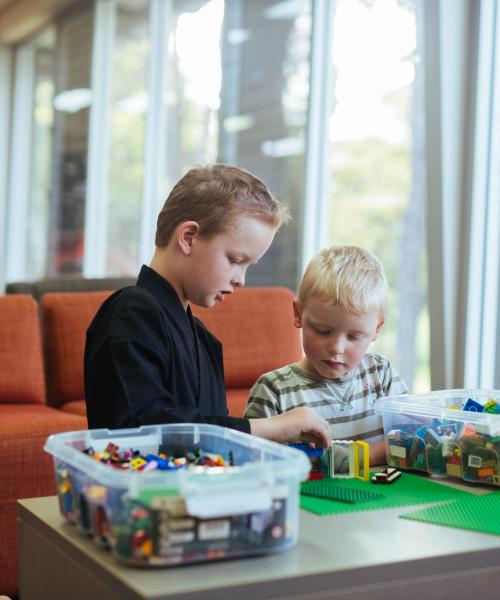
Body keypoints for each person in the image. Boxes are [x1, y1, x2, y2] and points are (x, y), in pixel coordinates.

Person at [84, 164, 330, 448]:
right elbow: (145, 428)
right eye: (236, 260)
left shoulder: (201, 338)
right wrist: (271, 427)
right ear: (189, 238)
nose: (241, 280)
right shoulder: (131, 311)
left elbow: (209, 442)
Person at [243, 245, 408, 464]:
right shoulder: (274, 391)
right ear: (298, 313)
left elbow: (410, 440)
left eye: (354, 336)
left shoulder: (381, 374)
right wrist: (374, 455)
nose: (337, 348)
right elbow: (248, 461)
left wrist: (349, 458)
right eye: (323, 331)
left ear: (376, 329)